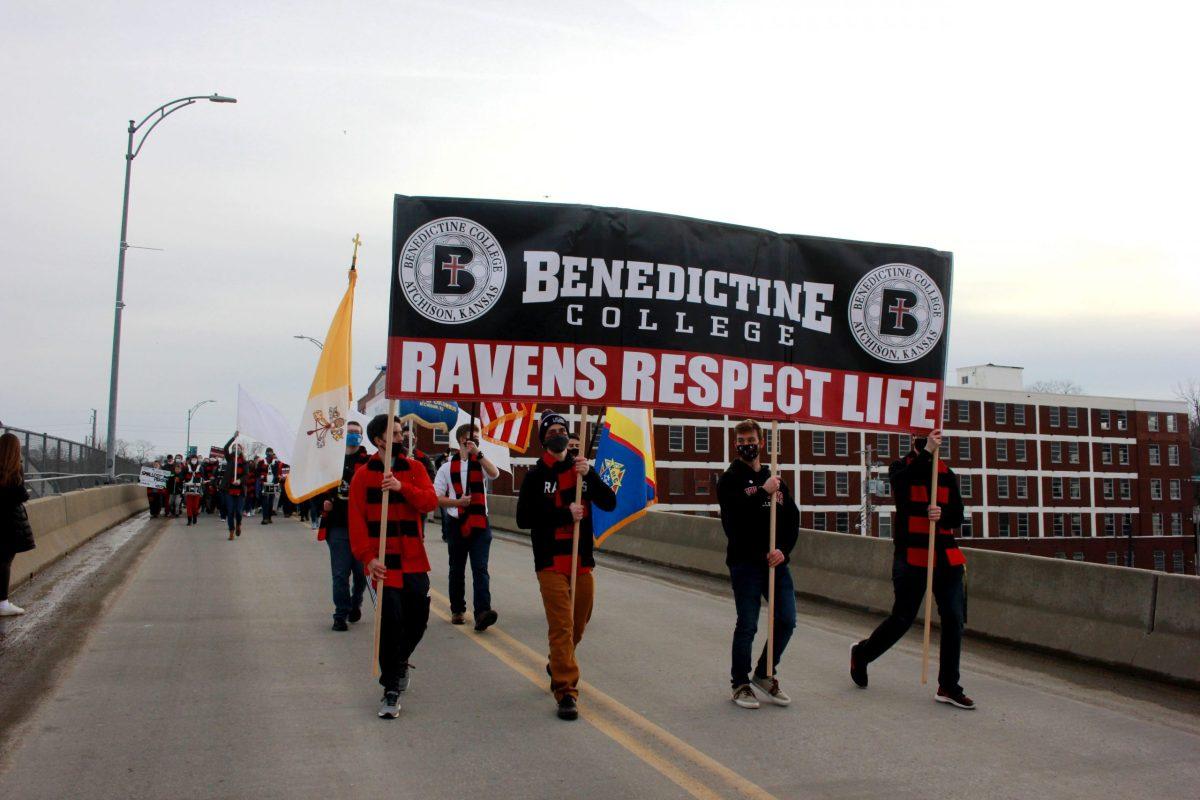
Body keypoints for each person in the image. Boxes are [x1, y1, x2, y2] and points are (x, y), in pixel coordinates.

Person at [850, 430, 975, 710]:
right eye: (923, 435)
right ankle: (863, 653)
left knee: (954, 619)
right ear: (913, 437)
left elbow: (958, 514)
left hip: (946, 558)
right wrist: (927, 453)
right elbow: (904, 492)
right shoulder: (900, 467)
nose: (928, 438)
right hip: (911, 557)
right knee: (902, 619)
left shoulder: (946, 473)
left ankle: (948, 685)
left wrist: (942, 513)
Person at [515, 410, 616, 721]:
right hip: (550, 561)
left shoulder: (581, 471)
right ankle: (566, 690)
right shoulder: (535, 477)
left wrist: (592, 476)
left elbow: (609, 503)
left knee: (579, 623)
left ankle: (557, 661)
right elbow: (523, 519)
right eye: (551, 430)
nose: (557, 433)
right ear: (544, 439)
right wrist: (563, 514)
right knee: (561, 626)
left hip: (581, 560)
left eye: (562, 429)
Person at [349, 413, 438, 719]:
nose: (402, 438)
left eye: (402, 432)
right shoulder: (362, 476)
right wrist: (368, 558)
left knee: (418, 619)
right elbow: (357, 523)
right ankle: (390, 689)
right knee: (391, 622)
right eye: (397, 434)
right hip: (384, 563)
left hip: (414, 559)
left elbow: (430, 502)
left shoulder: (414, 469)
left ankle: (399, 663)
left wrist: (402, 487)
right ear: (379, 440)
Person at [717, 419, 799, 710]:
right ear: (736, 444)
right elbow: (735, 519)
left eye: (751, 439)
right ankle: (740, 683)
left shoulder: (775, 479)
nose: (746, 445)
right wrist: (763, 492)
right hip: (745, 564)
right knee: (748, 624)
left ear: (762, 442)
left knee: (787, 620)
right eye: (741, 440)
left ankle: (765, 673)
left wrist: (783, 551)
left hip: (774, 564)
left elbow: (791, 521)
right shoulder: (729, 481)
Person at [434, 422, 500, 630]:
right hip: (457, 522)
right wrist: (457, 503)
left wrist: (478, 453)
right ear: (462, 440)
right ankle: (457, 609)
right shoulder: (446, 468)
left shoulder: (480, 462)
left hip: (480, 522)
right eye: (473, 438)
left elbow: (494, 473)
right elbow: (436, 497)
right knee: (457, 568)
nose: (476, 441)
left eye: (478, 439)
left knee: (480, 568)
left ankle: (482, 612)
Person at [319, 420, 371, 631]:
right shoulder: (333, 461)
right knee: (340, 573)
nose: (353, 435)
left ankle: (355, 600)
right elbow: (318, 485)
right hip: (338, 526)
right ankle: (340, 614)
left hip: (362, 527)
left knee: (360, 573)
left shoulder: (368, 462)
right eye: (349, 432)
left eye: (356, 433)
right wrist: (323, 503)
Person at [0, 432, 35, 616]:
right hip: (10, 523)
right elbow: (20, 494)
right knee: (5, 562)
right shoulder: (15, 469)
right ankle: (2, 603)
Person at [221, 433, 248, 540]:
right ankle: (231, 531)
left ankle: (239, 524)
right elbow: (225, 448)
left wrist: (240, 480)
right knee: (230, 511)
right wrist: (233, 438)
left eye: (238, 447)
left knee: (238, 511)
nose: (236, 449)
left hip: (240, 490)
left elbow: (246, 475)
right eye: (234, 447)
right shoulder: (229, 458)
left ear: (241, 450)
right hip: (229, 489)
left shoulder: (245, 462)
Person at [258, 448, 283, 525]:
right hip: (264, 483)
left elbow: (277, 473)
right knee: (265, 501)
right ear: (266, 453)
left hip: (273, 483)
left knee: (271, 501)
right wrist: (261, 477)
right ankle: (265, 518)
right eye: (268, 452)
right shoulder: (261, 462)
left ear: (272, 453)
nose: (269, 453)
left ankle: (269, 517)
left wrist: (276, 480)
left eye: (270, 452)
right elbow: (258, 472)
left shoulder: (276, 463)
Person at [181, 454, 206, 526]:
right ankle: (189, 520)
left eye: (195, 459)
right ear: (190, 460)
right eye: (193, 459)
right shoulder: (186, 468)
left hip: (197, 489)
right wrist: (180, 479)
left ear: (197, 460)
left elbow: (203, 477)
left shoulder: (200, 467)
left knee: (195, 506)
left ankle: (195, 516)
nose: (194, 460)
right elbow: (182, 476)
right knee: (189, 505)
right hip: (188, 489)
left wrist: (203, 484)